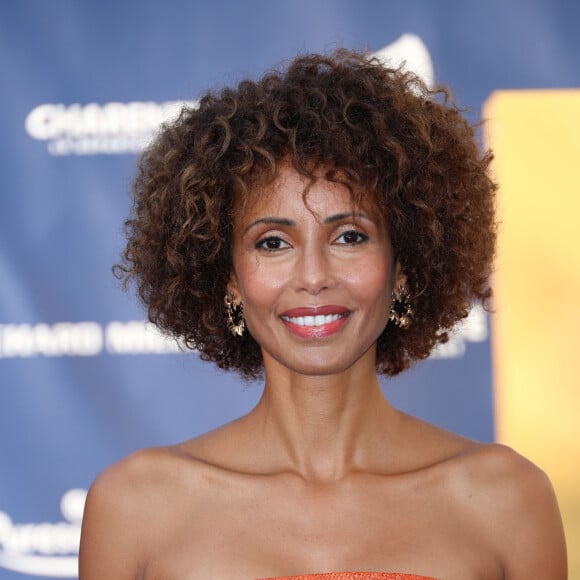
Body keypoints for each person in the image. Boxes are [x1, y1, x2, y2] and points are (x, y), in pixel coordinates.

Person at [79, 49, 567, 580]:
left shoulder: (507, 500)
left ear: (404, 265)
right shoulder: (134, 507)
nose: (313, 276)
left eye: (349, 236)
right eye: (272, 242)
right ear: (228, 279)